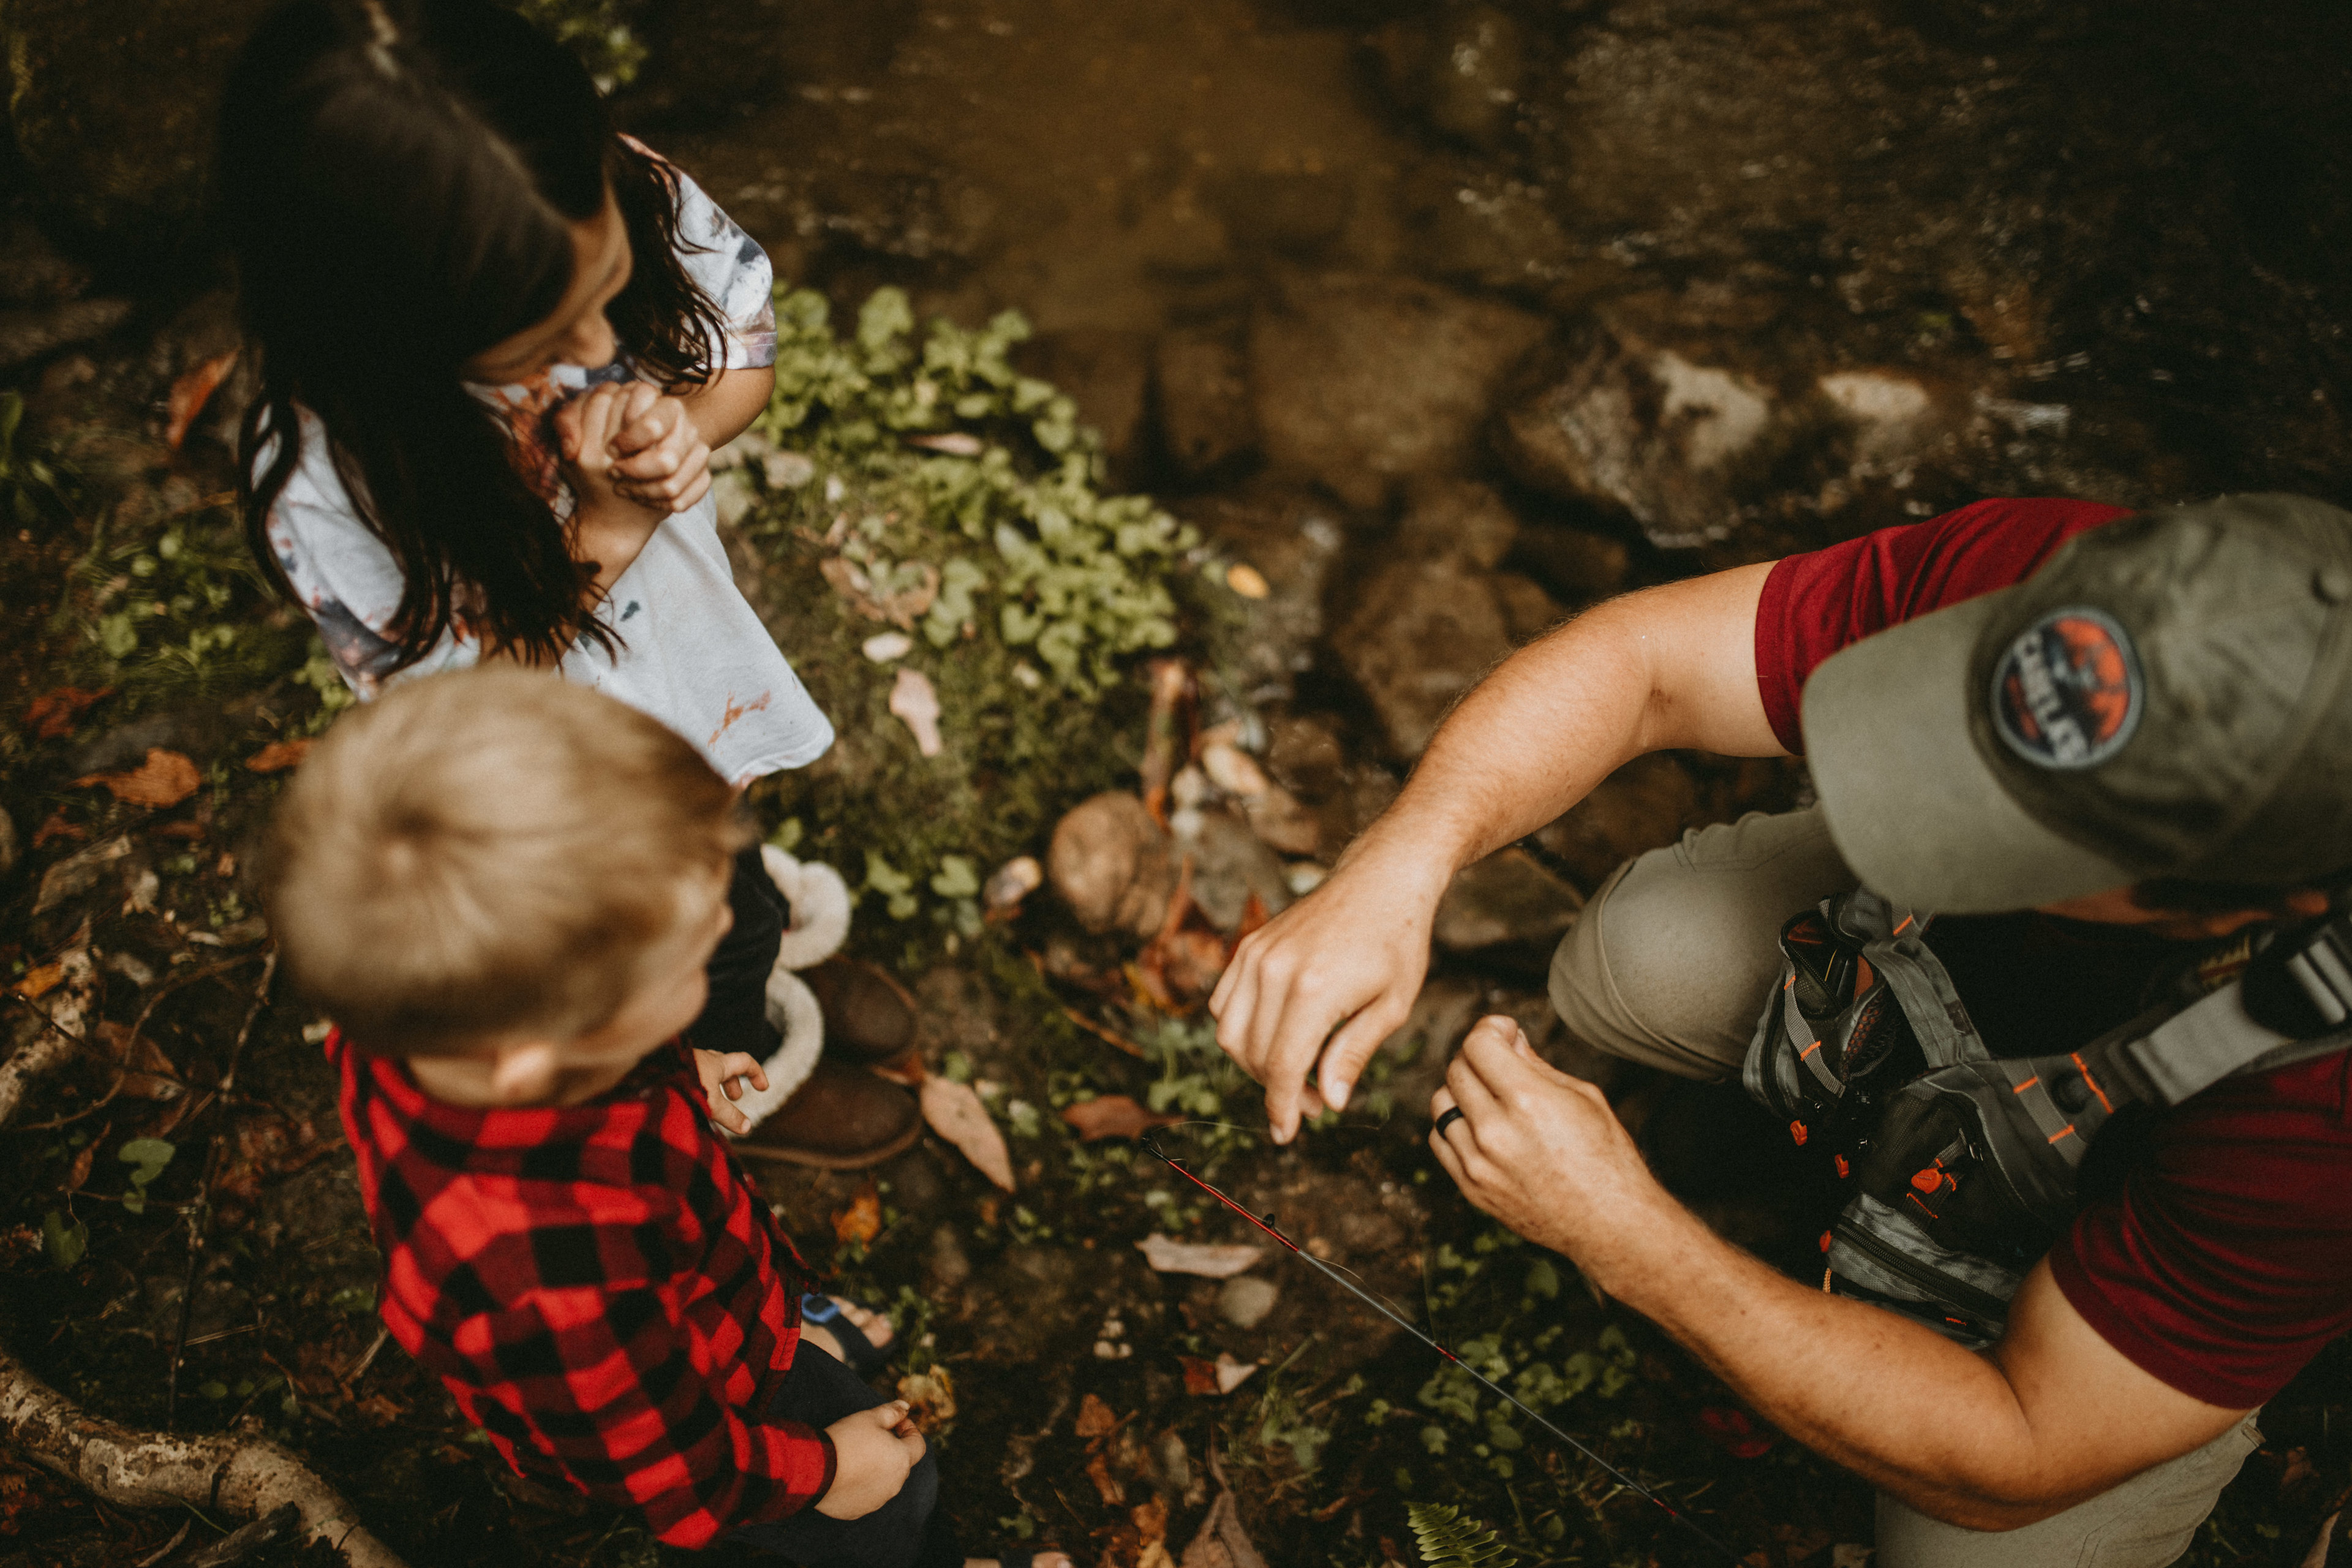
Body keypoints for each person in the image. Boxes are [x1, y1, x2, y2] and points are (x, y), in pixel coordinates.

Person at [1214, 494, 2352, 1564]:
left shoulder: (2322, 1124)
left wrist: (1625, 1234)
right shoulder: (2087, 609)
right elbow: (1647, 667)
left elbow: (2021, 1443)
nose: (1933, 802)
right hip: (1963, 995)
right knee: (1635, 958)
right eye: (1960, 740)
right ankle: (1846, 1148)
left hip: (2090, 1361)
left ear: (2260, 903)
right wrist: (1402, 861)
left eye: (2010, 828)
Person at [217, 0, 919, 1168]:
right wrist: (607, 523)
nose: (605, 342)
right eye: (546, 336)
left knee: (724, 853)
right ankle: (720, 1063)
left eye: (609, 286)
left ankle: (739, 964)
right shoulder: (333, 486)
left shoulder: (590, 186)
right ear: (392, 340)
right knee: (647, 919)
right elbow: (466, 730)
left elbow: (740, 360)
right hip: (554, 783)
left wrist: (677, 430)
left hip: (681, 680)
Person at [259, 667, 1070, 1568]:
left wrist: (677, 1058)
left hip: (714, 1293)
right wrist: (828, 1467)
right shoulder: (544, 1278)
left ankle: (789, 1325)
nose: (719, 964)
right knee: (890, 1510)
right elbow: (676, 1469)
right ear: (550, 1050)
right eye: (690, 966)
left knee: (817, 1379)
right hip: (728, 1431)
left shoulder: (440, 1030)